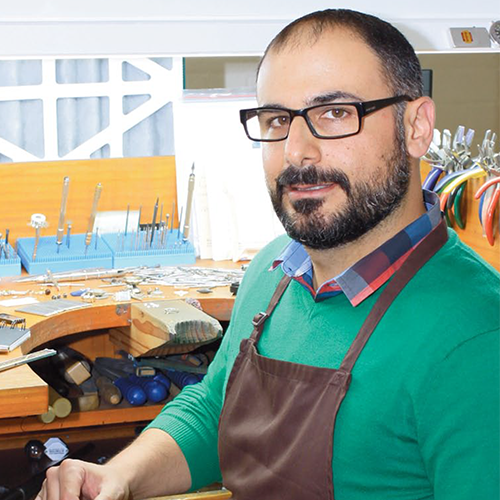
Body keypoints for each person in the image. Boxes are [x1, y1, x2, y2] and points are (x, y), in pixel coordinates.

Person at [38, 9, 499, 500]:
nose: (297, 152)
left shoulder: (475, 341)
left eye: (335, 113)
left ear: (416, 127)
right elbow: (215, 409)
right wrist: (119, 476)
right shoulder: (275, 269)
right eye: (278, 120)